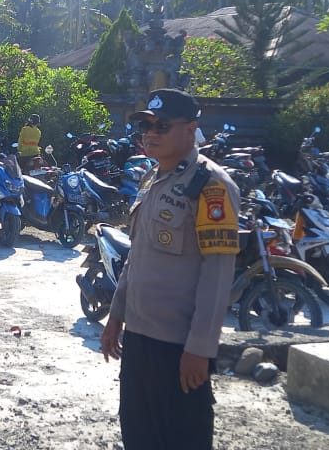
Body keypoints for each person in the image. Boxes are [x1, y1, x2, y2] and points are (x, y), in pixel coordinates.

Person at [99, 89, 240, 449]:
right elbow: (138, 255)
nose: (150, 134)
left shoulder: (211, 186)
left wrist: (200, 348)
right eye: (145, 126)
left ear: (191, 129)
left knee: (181, 438)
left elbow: (217, 274)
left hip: (178, 345)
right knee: (138, 434)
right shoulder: (154, 177)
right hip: (139, 338)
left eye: (162, 126)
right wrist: (116, 315)